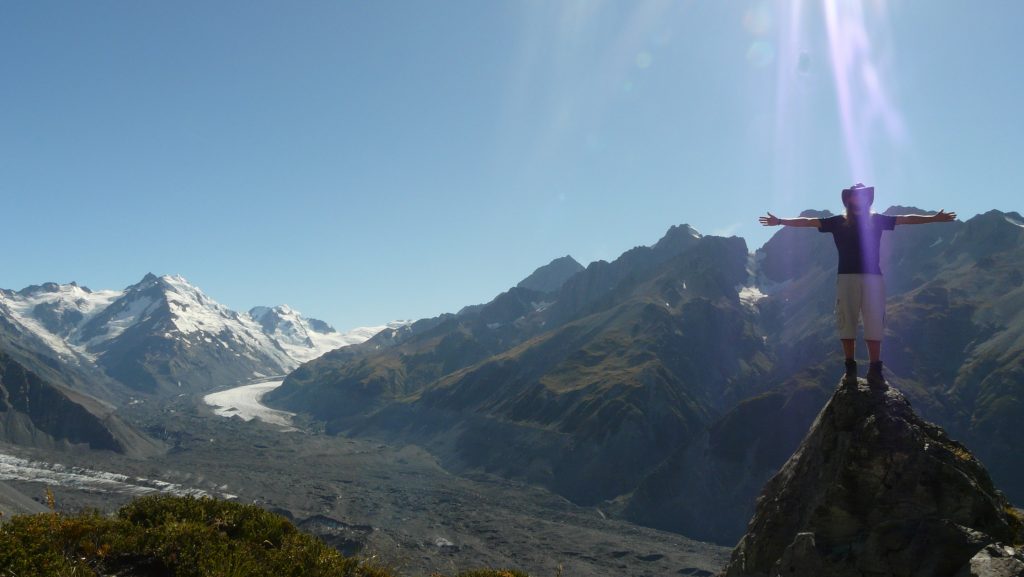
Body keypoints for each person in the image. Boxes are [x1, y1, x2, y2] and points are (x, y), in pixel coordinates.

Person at [759, 183, 956, 388]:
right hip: (848, 277)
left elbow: (906, 219)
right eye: (856, 195)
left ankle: (874, 370)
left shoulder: (876, 220)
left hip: (871, 278)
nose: (859, 199)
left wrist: (934, 219)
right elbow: (808, 222)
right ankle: (851, 369)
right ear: (849, 199)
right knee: (847, 320)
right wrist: (780, 220)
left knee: (874, 322)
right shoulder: (838, 222)